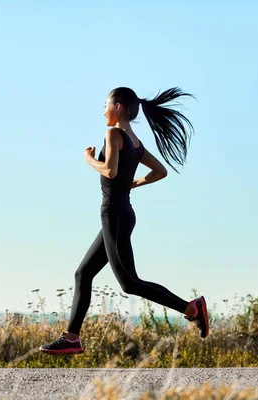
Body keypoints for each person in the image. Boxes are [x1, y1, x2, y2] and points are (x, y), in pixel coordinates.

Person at [39, 87, 209, 356]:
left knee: (129, 283)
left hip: (114, 213)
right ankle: (72, 337)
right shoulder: (136, 142)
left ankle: (192, 308)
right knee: (83, 273)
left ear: (118, 106)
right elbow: (160, 172)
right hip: (122, 212)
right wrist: (133, 184)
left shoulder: (113, 134)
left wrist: (88, 159)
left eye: (105, 104)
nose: (103, 109)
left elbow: (110, 170)